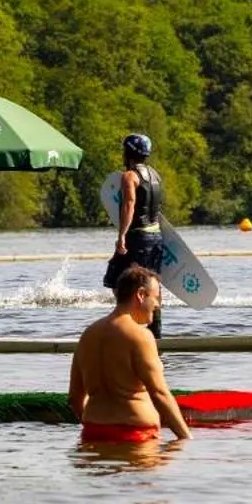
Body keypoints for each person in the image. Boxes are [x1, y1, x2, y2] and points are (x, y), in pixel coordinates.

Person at [70, 266, 191, 445]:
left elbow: (74, 398)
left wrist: (97, 426)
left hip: (92, 433)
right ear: (141, 295)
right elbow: (159, 393)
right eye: (156, 297)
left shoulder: (88, 335)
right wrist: (186, 439)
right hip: (136, 436)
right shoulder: (140, 336)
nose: (158, 305)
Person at [104, 132, 166, 343]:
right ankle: (155, 334)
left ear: (127, 153)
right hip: (156, 236)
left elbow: (129, 205)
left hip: (137, 237)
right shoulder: (155, 174)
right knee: (152, 286)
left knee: (118, 282)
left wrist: (122, 235)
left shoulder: (129, 176)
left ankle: (128, 330)